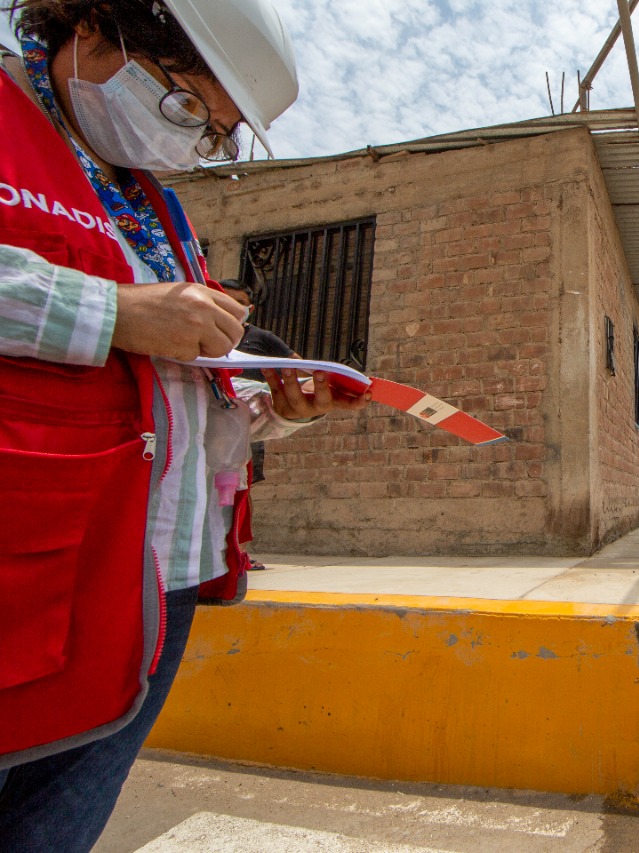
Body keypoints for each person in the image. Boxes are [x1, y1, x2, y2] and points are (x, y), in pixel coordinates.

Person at [0, 2, 369, 850]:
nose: (190, 144)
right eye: (184, 108)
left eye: (213, 135)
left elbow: (173, 392)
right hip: (28, 571)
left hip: (153, 586)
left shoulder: (156, 214)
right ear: (95, 28)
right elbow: (127, 327)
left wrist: (275, 406)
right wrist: (113, 310)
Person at [218, 277, 298, 569]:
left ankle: (239, 551)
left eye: (239, 303)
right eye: (225, 298)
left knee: (243, 485)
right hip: (209, 420)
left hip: (247, 421)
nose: (232, 306)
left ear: (250, 308)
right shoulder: (206, 333)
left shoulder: (261, 338)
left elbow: (294, 364)